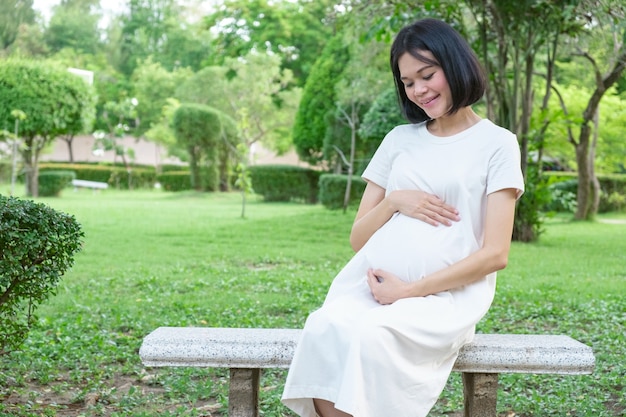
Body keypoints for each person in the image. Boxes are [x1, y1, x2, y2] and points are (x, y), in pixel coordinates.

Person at [281, 18, 524, 417]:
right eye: (408, 82)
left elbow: (495, 254)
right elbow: (359, 238)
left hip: (443, 299)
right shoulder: (398, 140)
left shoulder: (497, 144)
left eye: (427, 75)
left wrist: (410, 292)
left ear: (456, 64)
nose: (419, 91)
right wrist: (395, 202)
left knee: (373, 336)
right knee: (325, 328)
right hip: (372, 291)